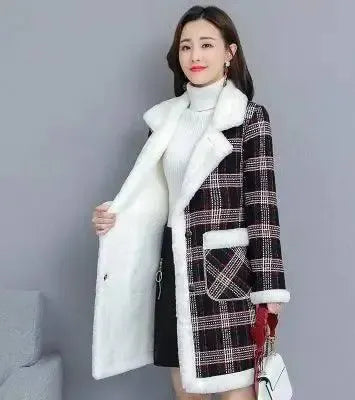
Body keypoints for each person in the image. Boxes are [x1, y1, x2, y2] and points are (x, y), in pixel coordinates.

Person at [91, 5, 290, 400]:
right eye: (186, 46)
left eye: (206, 45)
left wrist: (270, 293)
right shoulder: (163, 123)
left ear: (229, 53)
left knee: (237, 392)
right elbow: (158, 202)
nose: (195, 56)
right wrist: (115, 216)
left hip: (226, 277)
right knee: (186, 393)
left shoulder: (249, 118)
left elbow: (263, 208)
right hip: (174, 272)